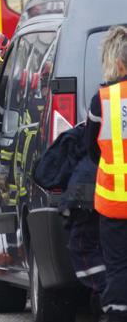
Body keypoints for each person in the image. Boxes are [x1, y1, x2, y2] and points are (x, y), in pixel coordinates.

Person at [85, 25, 127, 322]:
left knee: (118, 268)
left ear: (118, 62)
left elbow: (91, 149)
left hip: (114, 204)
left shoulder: (104, 98)